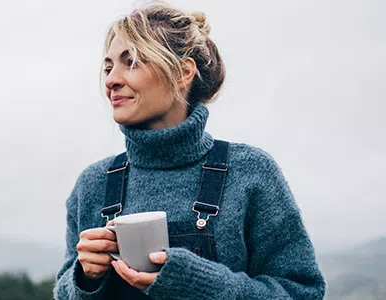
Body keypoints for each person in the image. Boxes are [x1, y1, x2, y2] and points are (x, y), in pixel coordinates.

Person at [53, 1, 326, 299]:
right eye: (108, 67)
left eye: (130, 62)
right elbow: (65, 292)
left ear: (183, 73)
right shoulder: (93, 184)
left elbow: (303, 293)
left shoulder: (250, 172)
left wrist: (198, 283)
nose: (111, 80)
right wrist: (85, 279)